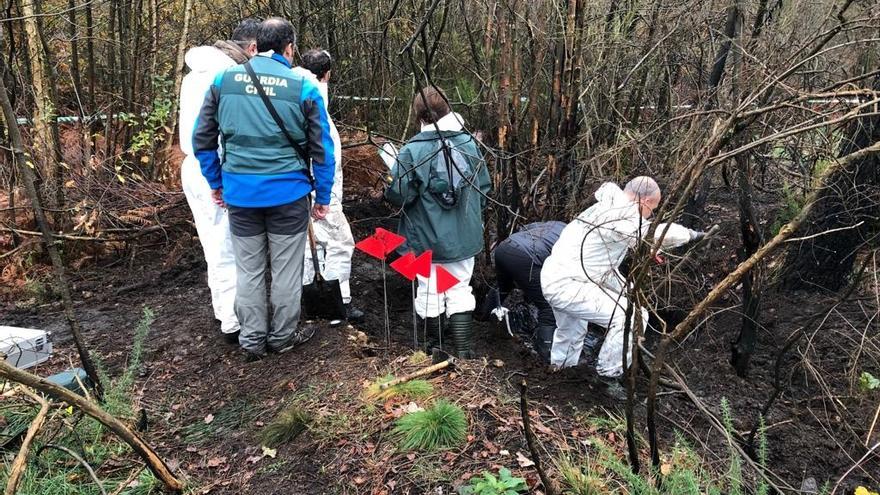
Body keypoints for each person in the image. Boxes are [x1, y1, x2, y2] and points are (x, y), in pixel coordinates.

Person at [193, 18, 336, 361]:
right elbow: (323, 151)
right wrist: (324, 196)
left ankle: (252, 340)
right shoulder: (303, 88)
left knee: (249, 270)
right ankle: (282, 338)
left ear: (256, 44)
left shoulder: (223, 81)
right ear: (290, 48)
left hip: (240, 195)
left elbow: (202, 139)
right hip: (289, 196)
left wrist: (217, 182)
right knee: (286, 271)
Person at [540, 177, 705, 391]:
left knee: (572, 329)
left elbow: (600, 266)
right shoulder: (619, 217)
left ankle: (560, 372)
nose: (650, 215)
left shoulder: (605, 208)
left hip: (558, 277)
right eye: (651, 210)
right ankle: (607, 377)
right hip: (569, 285)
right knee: (633, 318)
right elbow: (654, 234)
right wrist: (690, 235)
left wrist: (625, 290)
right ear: (645, 201)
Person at [385, 86, 491, 359]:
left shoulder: (411, 151)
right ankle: (465, 353)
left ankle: (433, 349)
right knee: (458, 288)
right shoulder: (469, 145)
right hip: (464, 238)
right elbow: (484, 189)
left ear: (419, 116)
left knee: (429, 289)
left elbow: (400, 195)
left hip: (424, 240)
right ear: (447, 109)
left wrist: (393, 173)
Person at [178, 18, 260, 343]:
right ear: (252, 48)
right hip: (215, 167)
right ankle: (236, 322)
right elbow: (222, 132)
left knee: (215, 245)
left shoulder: (195, 74)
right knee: (230, 244)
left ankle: (225, 311)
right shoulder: (227, 76)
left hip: (195, 167)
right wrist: (221, 179)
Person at [295, 49, 363, 324]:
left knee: (305, 246)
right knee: (339, 244)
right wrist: (323, 195)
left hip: (299, 188)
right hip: (321, 191)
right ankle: (338, 303)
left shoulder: (293, 93)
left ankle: (311, 302)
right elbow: (323, 154)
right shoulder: (314, 99)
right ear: (327, 74)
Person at [480, 221, 566, 361]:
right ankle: (546, 355)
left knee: (503, 287)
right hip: (527, 257)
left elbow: (525, 229)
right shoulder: (576, 241)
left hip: (505, 248)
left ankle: (482, 319)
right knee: (548, 306)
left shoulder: (555, 224)